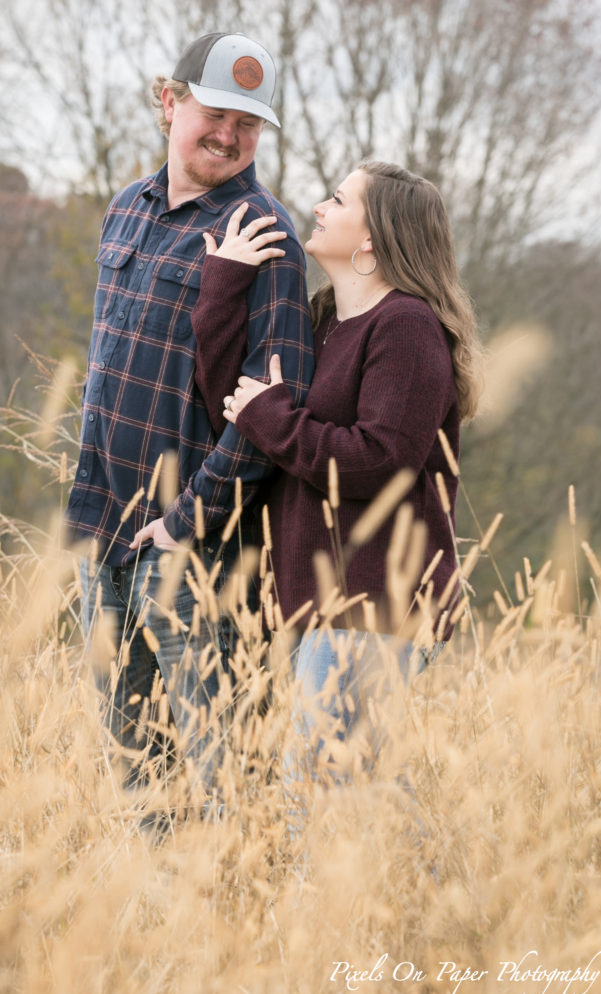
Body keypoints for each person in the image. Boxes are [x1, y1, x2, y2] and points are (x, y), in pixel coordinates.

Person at [65, 32, 314, 803]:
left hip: (195, 554)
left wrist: (185, 520)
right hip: (103, 534)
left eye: (248, 125)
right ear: (168, 102)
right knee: (136, 773)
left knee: (222, 778)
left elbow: (267, 408)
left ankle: (235, 920)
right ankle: (162, 921)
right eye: (215, 114)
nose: (229, 137)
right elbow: (107, 374)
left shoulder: (265, 239)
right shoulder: (124, 211)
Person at [191, 161, 483, 772]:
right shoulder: (324, 323)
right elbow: (238, 412)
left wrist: (269, 417)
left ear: (373, 235)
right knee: (347, 799)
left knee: (326, 799)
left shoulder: (405, 326)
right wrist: (223, 285)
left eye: (337, 199)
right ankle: (431, 873)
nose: (319, 209)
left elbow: (377, 461)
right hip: (310, 599)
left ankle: (432, 873)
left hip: (373, 598)